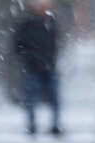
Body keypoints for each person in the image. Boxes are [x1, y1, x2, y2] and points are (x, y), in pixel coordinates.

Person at [14, 0, 62, 136]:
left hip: (49, 67)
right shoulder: (28, 24)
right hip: (32, 68)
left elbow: (55, 43)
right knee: (30, 100)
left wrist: (50, 58)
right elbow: (18, 45)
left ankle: (55, 126)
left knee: (55, 99)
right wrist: (30, 58)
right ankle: (31, 126)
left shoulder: (52, 24)